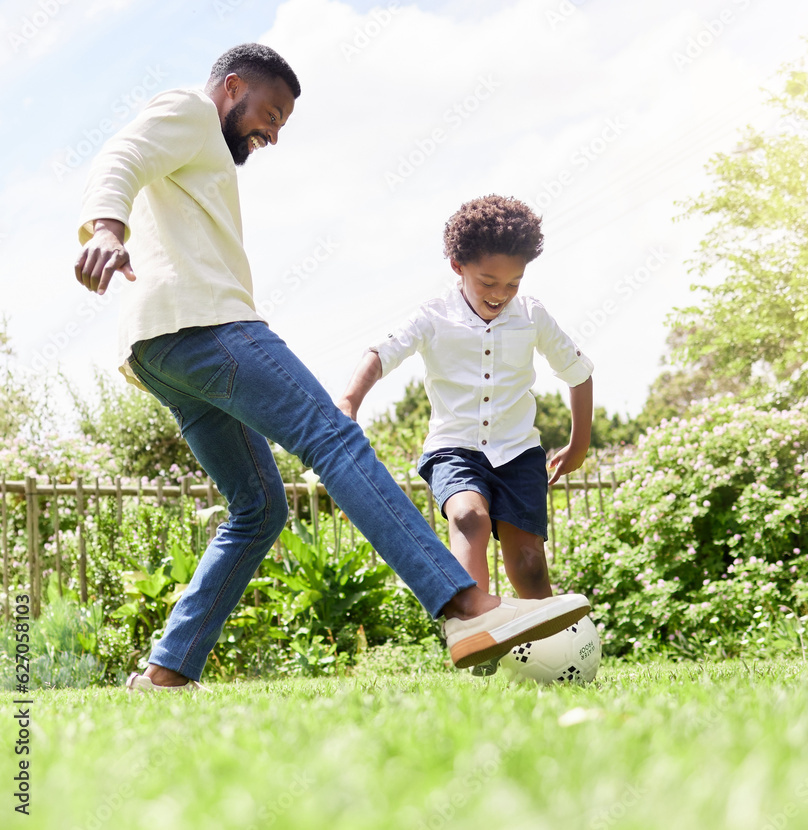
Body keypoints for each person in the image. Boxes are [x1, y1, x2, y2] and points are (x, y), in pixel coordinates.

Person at [73, 44, 589, 693]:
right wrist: (105, 230)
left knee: (259, 508)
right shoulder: (188, 110)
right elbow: (120, 156)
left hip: (159, 349)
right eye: (271, 111)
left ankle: (167, 671)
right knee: (333, 438)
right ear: (232, 87)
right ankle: (462, 607)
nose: (275, 132)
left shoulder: (202, 152)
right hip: (206, 325)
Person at [338, 195, 594, 672]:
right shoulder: (433, 315)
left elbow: (578, 373)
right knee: (469, 518)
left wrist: (578, 446)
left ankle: (558, 657)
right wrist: (350, 401)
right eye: (488, 282)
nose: (500, 293)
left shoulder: (532, 315)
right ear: (458, 266)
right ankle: (476, 629)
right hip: (453, 448)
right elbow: (381, 352)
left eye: (513, 283)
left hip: (518, 453)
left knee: (529, 563)